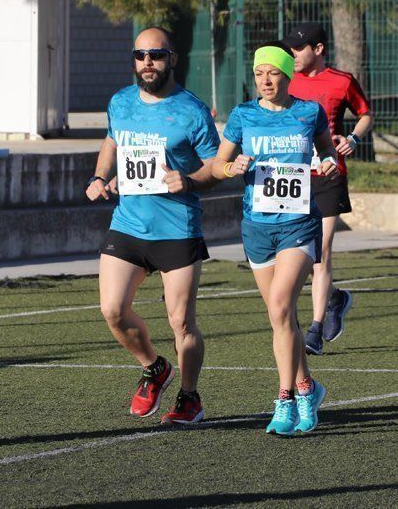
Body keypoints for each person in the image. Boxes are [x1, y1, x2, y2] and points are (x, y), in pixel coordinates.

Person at [86, 27, 220, 425]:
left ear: (172, 59)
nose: (148, 63)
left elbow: (217, 165)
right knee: (112, 309)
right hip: (128, 224)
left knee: (181, 322)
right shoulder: (120, 102)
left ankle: (189, 397)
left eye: (156, 55)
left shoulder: (191, 110)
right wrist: (100, 176)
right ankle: (154, 367)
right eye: (141, 56)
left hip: (177, 228)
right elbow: (113, 140)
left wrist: (192, 180)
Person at [211, 41, 339, 435]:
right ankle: (308, 385)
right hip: (257, 227)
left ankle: (287, 400)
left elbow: (328, 153)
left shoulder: (308, 112)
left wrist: (330, 164)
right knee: (281, 318)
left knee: (282, 306)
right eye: (259, 74)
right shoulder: (243, 115)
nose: (266, 80)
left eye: (274, 73)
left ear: (288, 75)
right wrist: (234, 167)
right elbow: (217, 165)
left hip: (298, 224)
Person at [283, 22, 374, 355]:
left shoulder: (342, 81)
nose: (292, 54)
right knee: (301, 259)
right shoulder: (283, 81)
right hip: (291, 179)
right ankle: (336, 299)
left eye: (299, 48)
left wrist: (352, 138)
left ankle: (315, 330)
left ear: (318, 49)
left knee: (319, 255)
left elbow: (365, 114)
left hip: (328, 176)